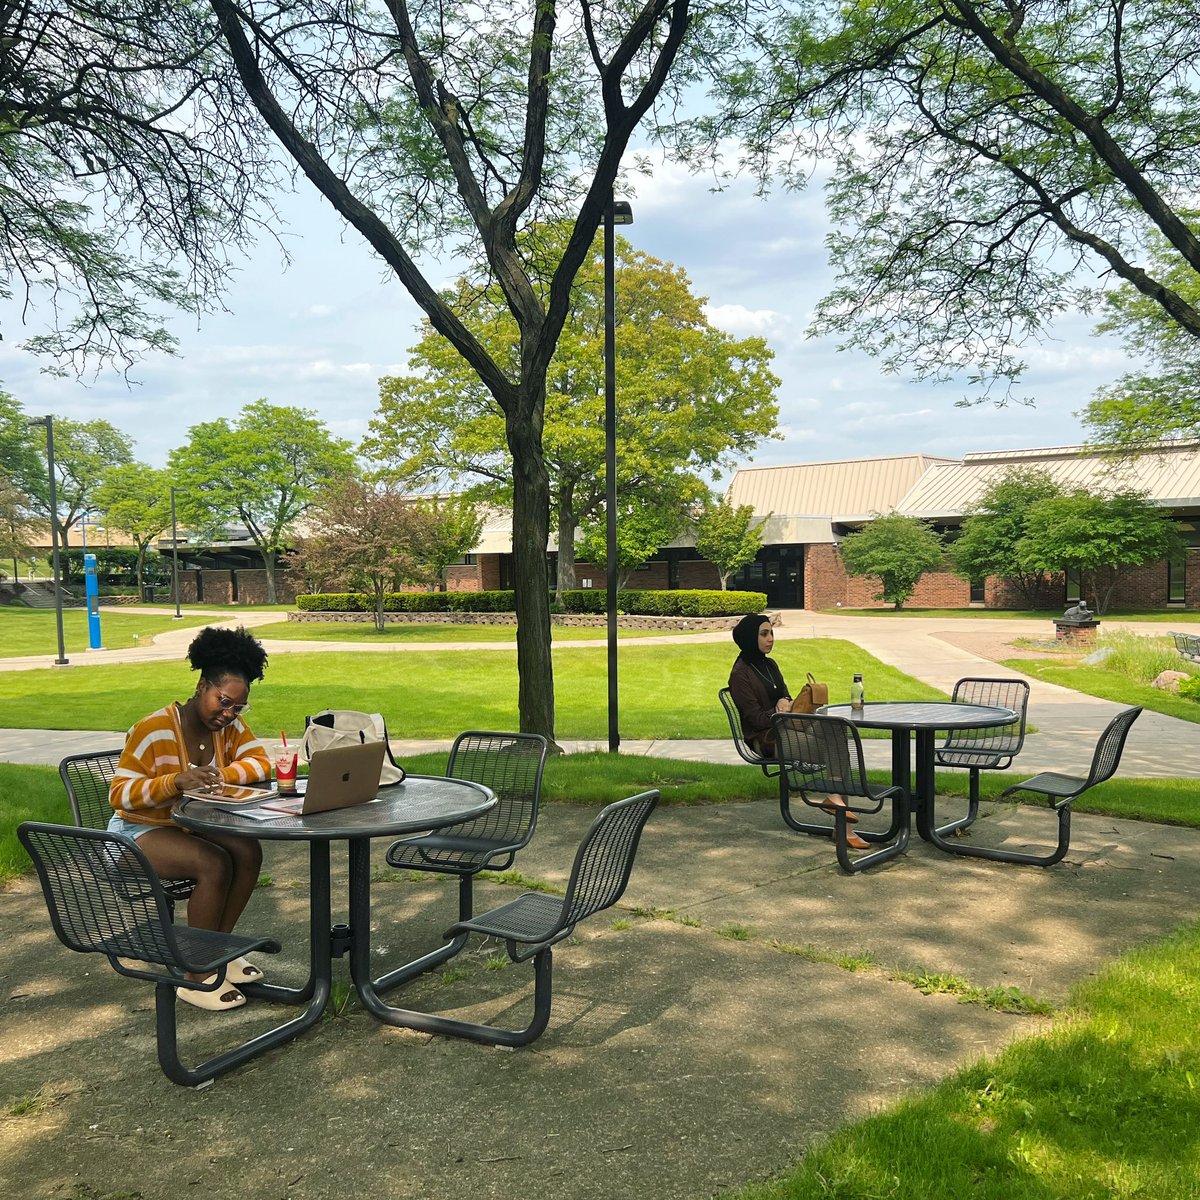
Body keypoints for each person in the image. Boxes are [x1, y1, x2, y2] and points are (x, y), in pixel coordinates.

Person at [108, 625, 273, 1011]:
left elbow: (260, 763)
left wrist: (221, 774)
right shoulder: (154, 729)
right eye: (223, 701)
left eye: (238, 707)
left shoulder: (229, 728)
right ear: (202, 686)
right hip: (134, 834)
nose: (228, 713)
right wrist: (174, 782)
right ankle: (196, 974)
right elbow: (119, 793)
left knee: (248, 852)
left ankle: (220, 951)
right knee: (213, 863)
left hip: (189, 828)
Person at [728, 614, 868, 850]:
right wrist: (777, 709)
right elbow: (755, 720)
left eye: (771, 633)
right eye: (764, 634)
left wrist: (785, 701)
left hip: (786, 725)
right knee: (836, 748)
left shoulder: (769, 665)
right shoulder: (740, 675)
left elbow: (785, 695)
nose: (770, 639)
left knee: (837, 728)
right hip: (766, 738)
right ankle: (842, 826)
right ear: (749, 637)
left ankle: (834, 801)